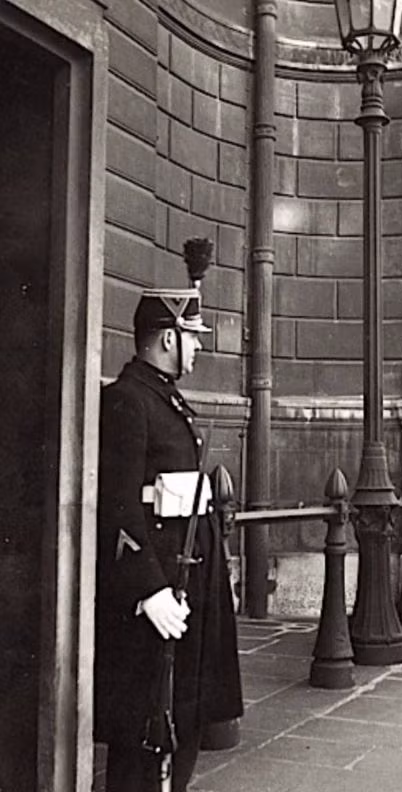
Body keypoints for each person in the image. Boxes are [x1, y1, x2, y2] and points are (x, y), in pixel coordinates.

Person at [94, 288, 244, 792]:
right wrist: (148, 589)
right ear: (166, 339)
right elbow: (116, 506)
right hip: (158, 589)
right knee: (144, 731)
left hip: (187, 582)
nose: (198, 347)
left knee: (183, 719)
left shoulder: (166, 397)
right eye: (191, 337)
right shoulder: (127, 400)